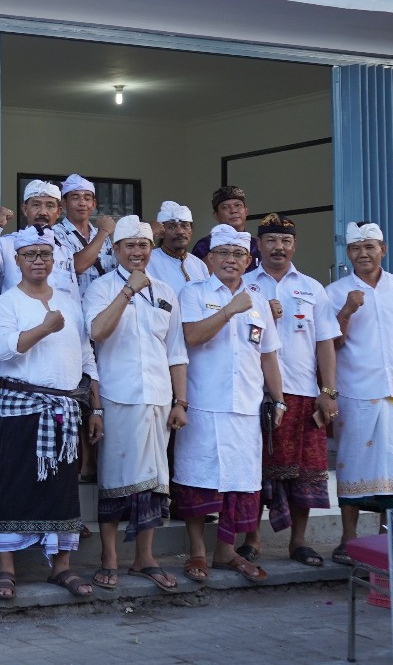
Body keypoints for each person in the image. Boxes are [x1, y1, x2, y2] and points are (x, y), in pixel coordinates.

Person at [0, 225, 102, 601]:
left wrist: (95, 407)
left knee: (62, 488)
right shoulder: (6, 303)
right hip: (21, 407)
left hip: (65, 408)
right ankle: (6, 568)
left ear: (54, 260)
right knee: (14, 485)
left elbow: (86, 355)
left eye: (45, 255)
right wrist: (44, 328)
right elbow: (0, 351)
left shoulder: (69, 301)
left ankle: (61, 566)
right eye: (30, 255)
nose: (38, 260)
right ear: (17, 260)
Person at [174, 224, 285, 584]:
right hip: (203, 405)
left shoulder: (258, 301)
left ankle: (226, 551)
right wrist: (229, 311)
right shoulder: (193, 292)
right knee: (197, 479)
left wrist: (279, 400)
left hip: (246, 408)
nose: (230, 260)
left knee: (239, 483)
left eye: (238, 254)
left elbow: (268, 355)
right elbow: (191, 336)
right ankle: (197, 552)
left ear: (249, 261)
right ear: (209, 258)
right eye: (223, 253)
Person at [84, 215, 187, 593]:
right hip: (117, 397)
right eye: (129, 246)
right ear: (115, 251)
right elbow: (96, 332)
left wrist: (181, 402)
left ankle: (145, 558)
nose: (137, 252)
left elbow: (176, 352)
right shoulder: (100, 288)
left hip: (158, 398)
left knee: (155, 483)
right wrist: (128, 290)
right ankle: (109, 558)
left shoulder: (166, 291)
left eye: (143, 245)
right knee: (114, 481)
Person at [235, 214, 341, 567]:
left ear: (294, 246)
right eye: (270, 240)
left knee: (304, 473)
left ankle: (299, 541)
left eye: (285, 241)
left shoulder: (312, 288)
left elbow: (325, 343)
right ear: (258, 245)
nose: (278, 247)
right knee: (255, 470)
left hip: (302, 392)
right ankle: (252, 540)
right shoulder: (244, 285)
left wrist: (328, 391)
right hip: (253, 392)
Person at [326, 221, 393, 566]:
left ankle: (390, 540)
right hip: (354, 392)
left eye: (370, 247)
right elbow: (330, 344)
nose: (363, 254)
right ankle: (348, 540)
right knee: (352, 466)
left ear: (382, 250)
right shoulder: (335, 291)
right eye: (356, 248)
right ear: (348, 253)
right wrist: (347, 310)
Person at [0, 180, 81, 303]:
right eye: (36, 205)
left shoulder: (64, 249)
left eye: (50, 206)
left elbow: (73, 298)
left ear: (59, 212)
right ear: (25, 209)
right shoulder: (7, 244)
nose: (43, 212)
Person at [55, 174, 117, 295]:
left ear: (94, 204)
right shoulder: (55, 233)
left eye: (87, 198)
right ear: (64, 203)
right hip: (73, 304)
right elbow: (76, 267)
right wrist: (104, 232)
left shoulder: (101, 235)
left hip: (104, 304)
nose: (82, 203)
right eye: (75, 198)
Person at [190, 186, 260, 267]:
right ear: (216, 215)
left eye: (238, 205)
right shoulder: (204, 245)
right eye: (226, 207)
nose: (233, 211)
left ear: (246, 211)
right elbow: (198, 272)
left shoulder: (258, 245)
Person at [147, 201, 207, 291]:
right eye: (171, 227)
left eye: (185, 226)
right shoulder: (149, 260)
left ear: (191, 230)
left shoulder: (199, 265)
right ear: (161, 233)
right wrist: (149, 234)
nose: (180, 231)